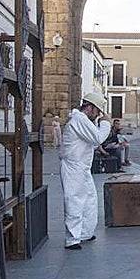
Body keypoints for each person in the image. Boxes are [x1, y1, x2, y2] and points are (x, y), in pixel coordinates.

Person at [59, 90, 112, 250]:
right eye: (97, 111)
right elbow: (97, 138)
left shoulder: (81, 119)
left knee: (89, 200)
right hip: (74, 167)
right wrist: (106, 123)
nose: (98, 115)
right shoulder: (79, 119)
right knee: (74, 200)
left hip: (81, 167)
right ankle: (72, 238)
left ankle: (85, 232)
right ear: (91, 108)